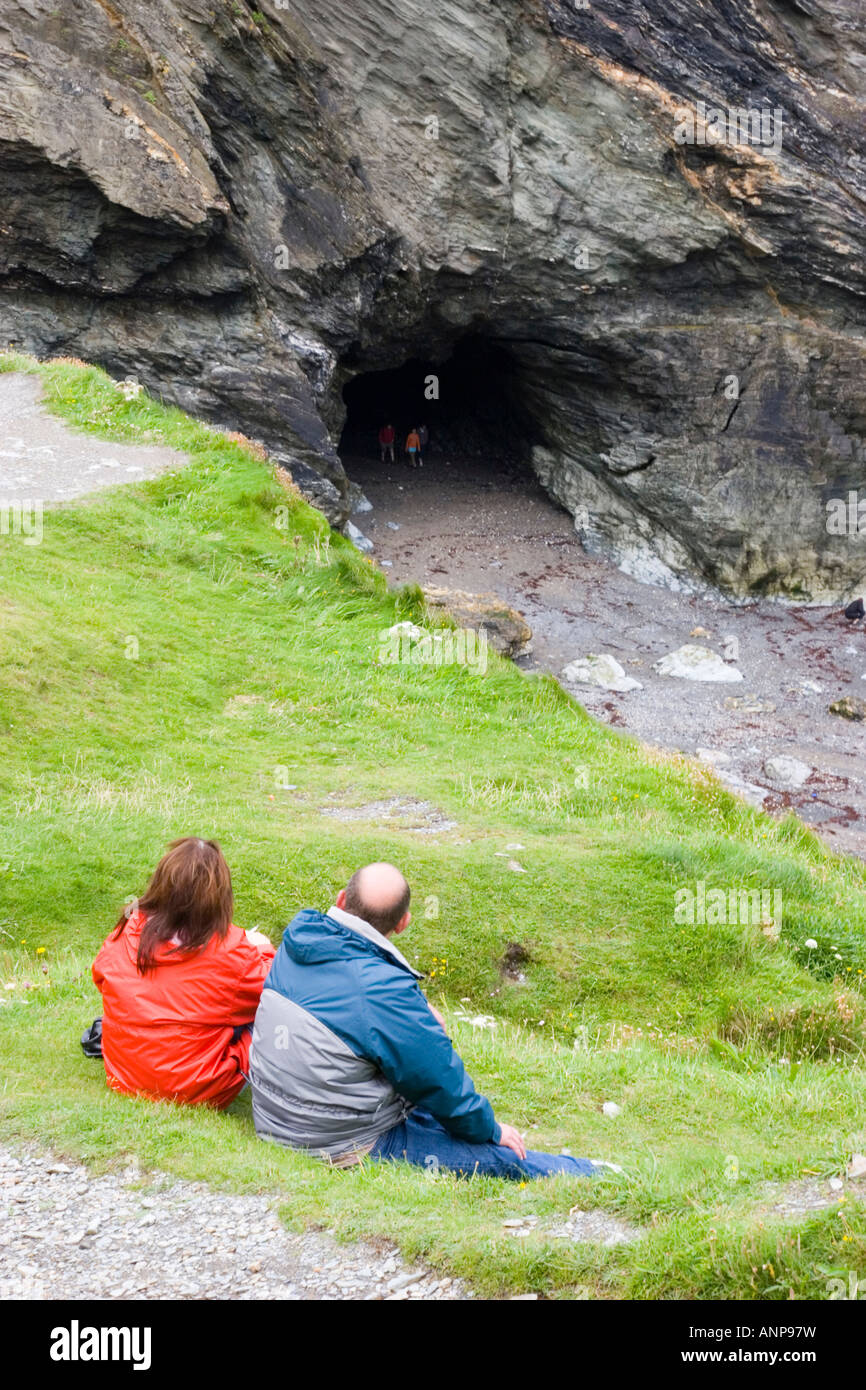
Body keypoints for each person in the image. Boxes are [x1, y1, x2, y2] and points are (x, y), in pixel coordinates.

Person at [249, 863, 602, 1179]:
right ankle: (596, 1174)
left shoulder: (299, 940)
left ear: (341, 900)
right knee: (498, 1158)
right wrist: (490, 1129)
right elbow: (437, 1081)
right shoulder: (383, 988)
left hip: (273, 1120)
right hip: (336, 1142)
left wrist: (415, 1014)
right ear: (403, 923)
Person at [91, 837, 274, 1109]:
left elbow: (101, 977)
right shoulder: (234, 955)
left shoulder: (125, 932)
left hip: (125, 1078)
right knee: (270, 1019)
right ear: (219, 895)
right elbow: (272, 990)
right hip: (197, 1089)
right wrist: (263, 947)